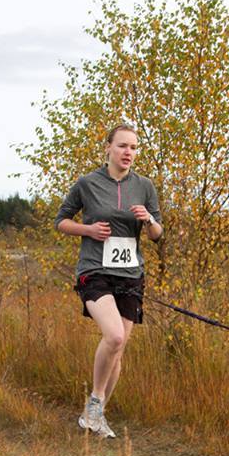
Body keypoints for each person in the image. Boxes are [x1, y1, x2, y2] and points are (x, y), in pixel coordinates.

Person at [55, 123, 164, 438]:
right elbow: (60, 221)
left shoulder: (145, 186)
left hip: (130, 274)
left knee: (119, 348)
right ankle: (95, 401)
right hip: (95, 270)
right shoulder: (87, 183)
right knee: (114, 337)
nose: (128, 152)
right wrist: (88, 230)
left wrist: (149, 220)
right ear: (108, 148)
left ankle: (96, 416)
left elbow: (158, 235)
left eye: (133, 147)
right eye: (122, 146)